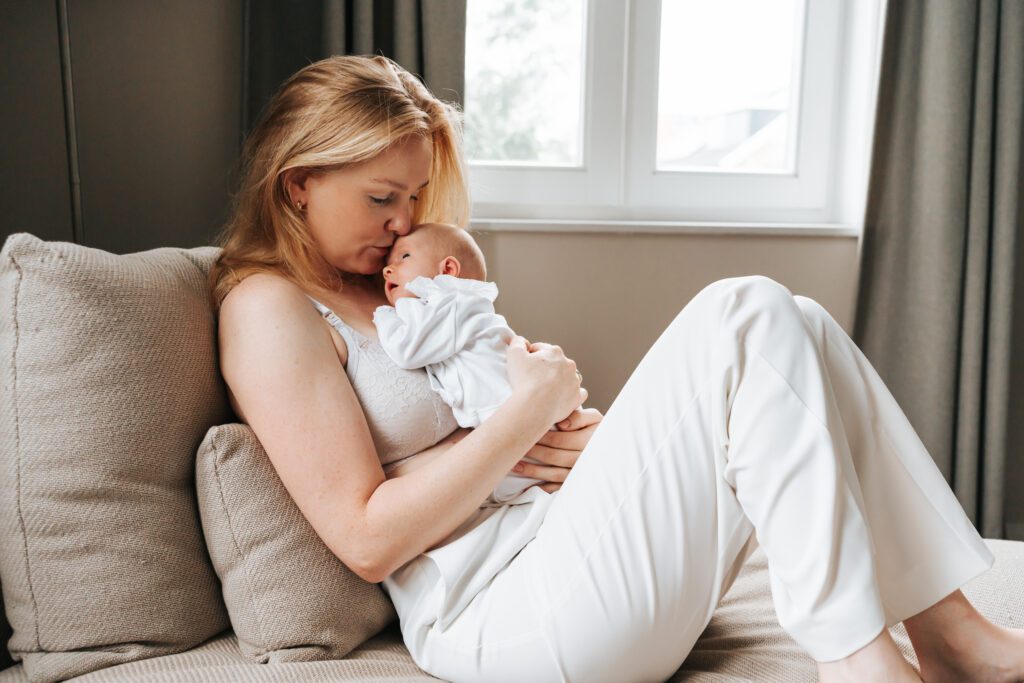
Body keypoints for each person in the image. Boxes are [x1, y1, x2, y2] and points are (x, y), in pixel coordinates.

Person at [209, 54, 1024, 683]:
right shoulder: (269, 308)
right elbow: (364, 538)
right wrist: (522, 417)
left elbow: (506, 426)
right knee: (740, 310)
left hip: (568, 550)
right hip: (505, 615)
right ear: (299, 186)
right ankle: (855, 655)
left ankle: (947, 632)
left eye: (417, 197)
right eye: (381, 198)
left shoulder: (405, 291)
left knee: (796, 322)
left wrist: (586, 448)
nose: (405, 223)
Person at [373, 222, 550, 505]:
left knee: (534, 487)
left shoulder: (454, 305)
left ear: (448, 271)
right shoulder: (451, 310)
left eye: (403, 257)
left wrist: (385, 313)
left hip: (511, 413)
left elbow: (406, 349)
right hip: (505, 419)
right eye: (387, 263)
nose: (387, 269)